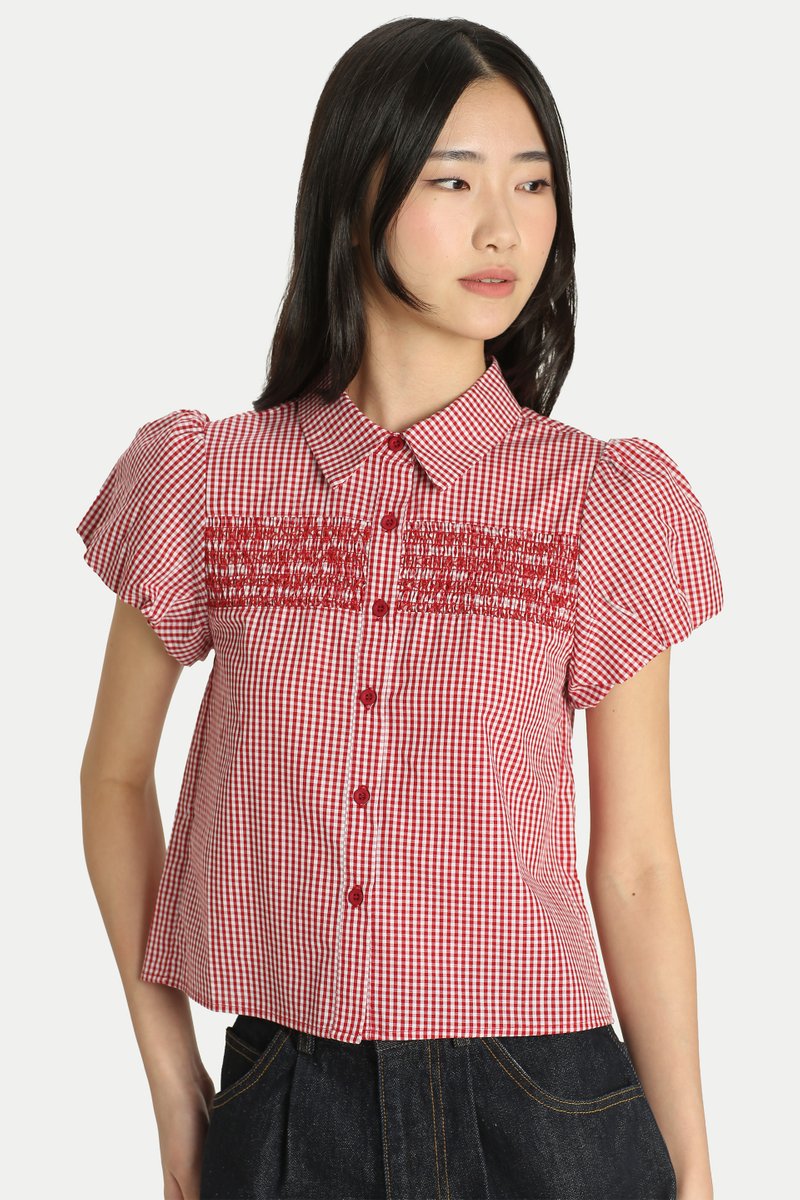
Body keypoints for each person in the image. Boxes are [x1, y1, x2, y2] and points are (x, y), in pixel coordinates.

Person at [76, 17, 723, 1200]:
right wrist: (173, 1082)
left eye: (534, 184)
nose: (503, 228)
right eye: (452, 180)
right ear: (351, 197)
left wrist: (691, 1166)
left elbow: (633, 858)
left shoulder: (601, 501)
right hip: (285, 1096)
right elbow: (114, 776)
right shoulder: (204, 481)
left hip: (542, 1096)